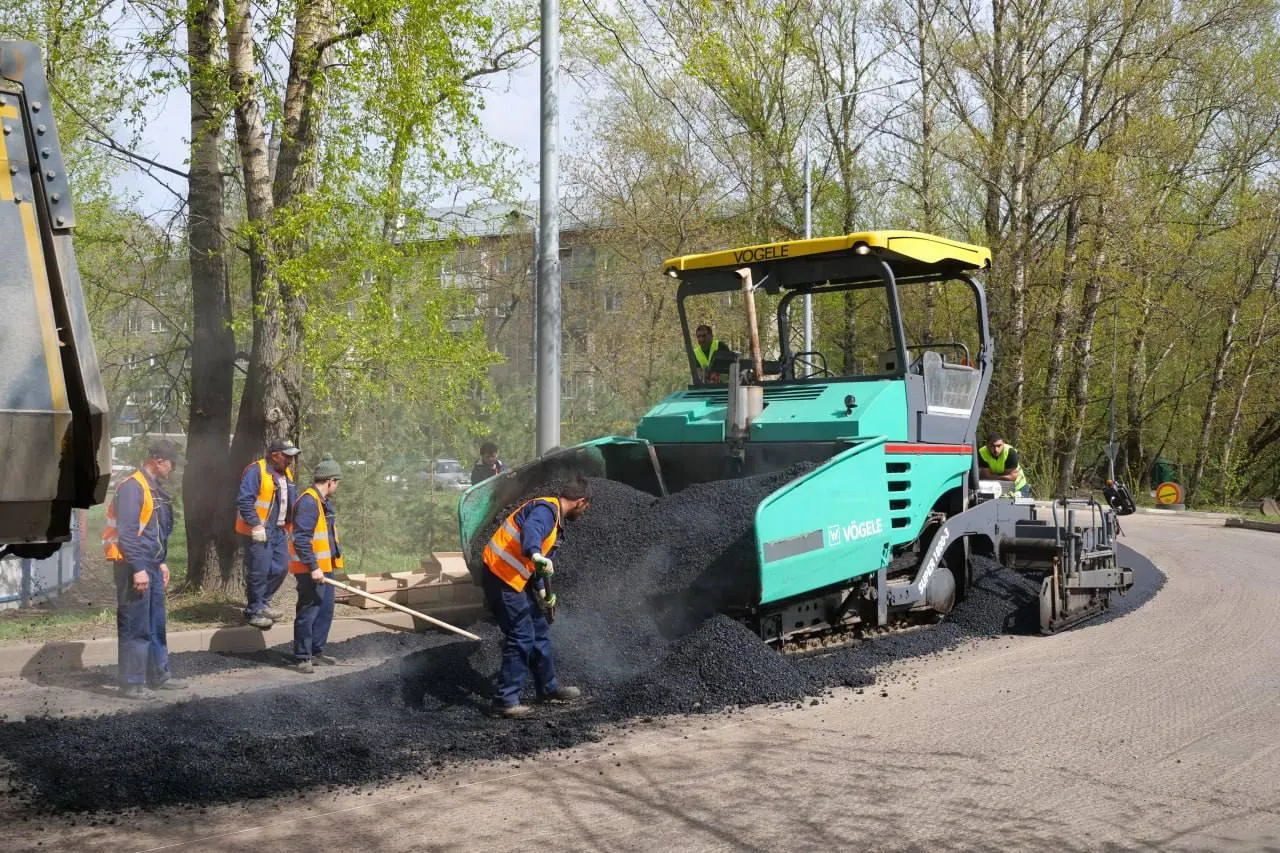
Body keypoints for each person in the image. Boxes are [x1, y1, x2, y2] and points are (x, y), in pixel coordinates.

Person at [481, 477, 591, 718]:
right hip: (500, 575)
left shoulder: (556, 520)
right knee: (521, 634)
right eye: (585, 508)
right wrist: (535, 554)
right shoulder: (546, 510)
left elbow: (538, 567)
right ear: (580, 502)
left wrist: (541, 591)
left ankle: (548, 689)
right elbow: (532, 534)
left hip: (514, 578)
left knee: (539, 628)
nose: (584, 513)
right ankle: (505, 701)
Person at [102, 439, 185, 699]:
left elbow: (154, 531)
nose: (172, 469)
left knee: (155, 623)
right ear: (159, 461)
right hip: (131, 565)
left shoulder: (154, 489)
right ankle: (132, 682)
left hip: (150, 564)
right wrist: (139, 568)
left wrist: (160, 561)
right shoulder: (132, 488)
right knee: (135, 624)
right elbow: (127, 534)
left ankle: (158, 675)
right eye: (171, 464)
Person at [236, 438, 300, 629]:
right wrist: (256, 525)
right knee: (259, 571)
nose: (290, 460)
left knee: (281, 568)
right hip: (259, 531)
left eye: (292, 456)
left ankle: (263, 602)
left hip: (279, 530)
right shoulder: (256, 471)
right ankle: (253, 611)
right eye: (287, 456)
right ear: (275, 455)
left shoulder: (285, 473)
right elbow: (245, 500)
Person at [288, 455, 344, 674]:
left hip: (325, 568)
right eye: (337, 482)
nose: (337, 486)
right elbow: (300, 539)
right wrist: (313, 567)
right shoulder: (309, 502)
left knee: (326, 610)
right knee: (309, 610)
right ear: (329, 481)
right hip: (311, 570)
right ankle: (302, 656)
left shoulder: (322, 503)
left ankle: (316, 651)